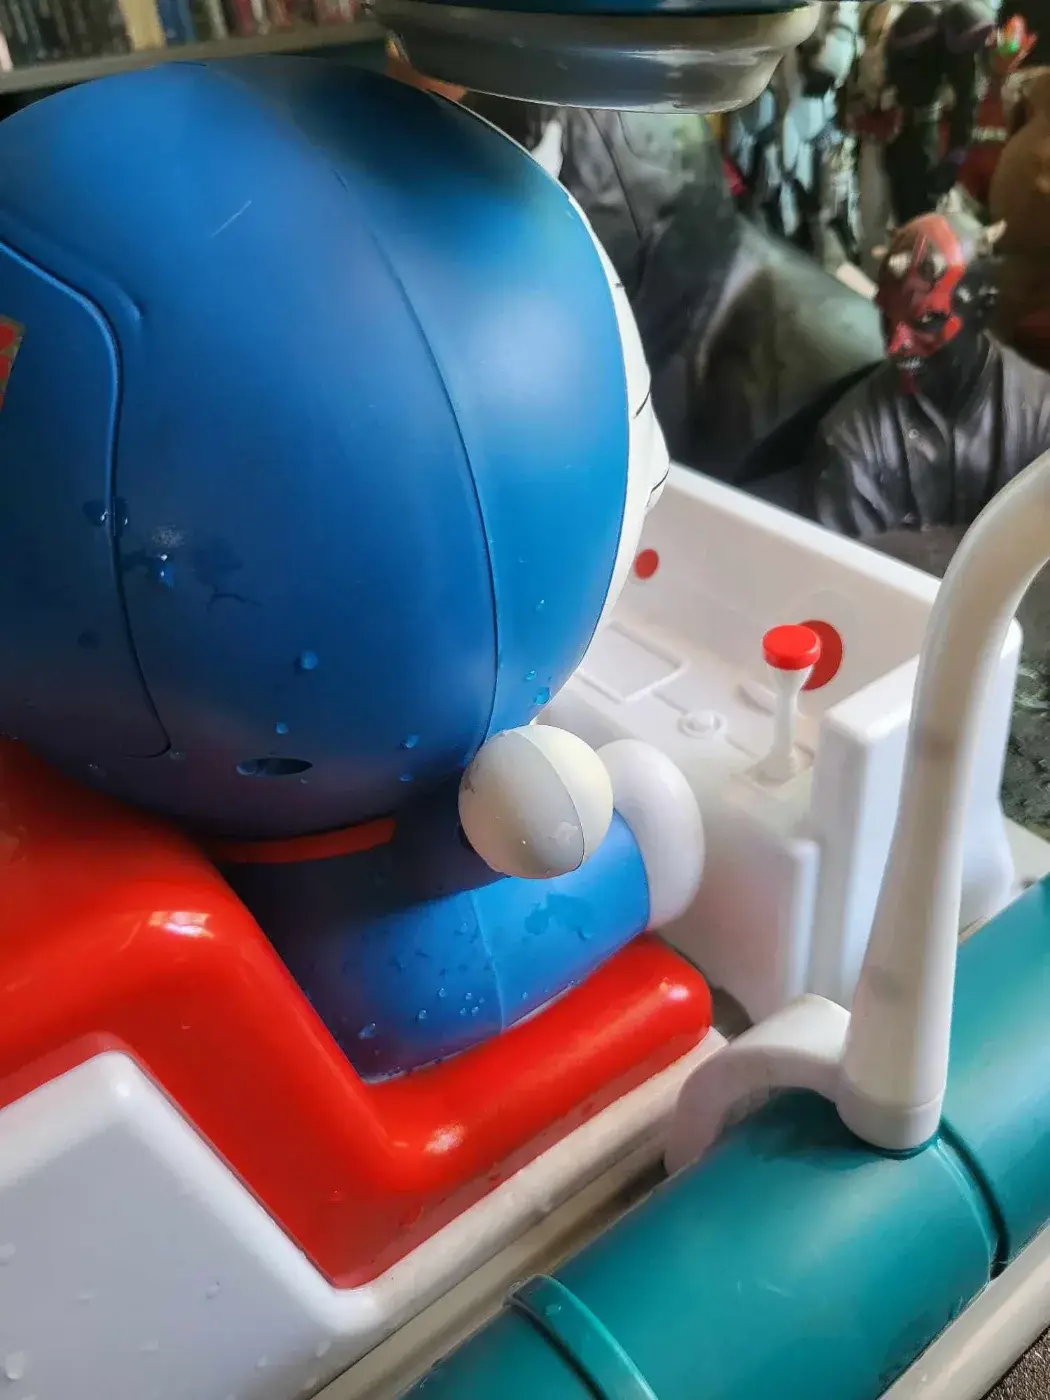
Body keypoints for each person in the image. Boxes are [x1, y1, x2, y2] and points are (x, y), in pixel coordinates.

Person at [809, 210, 1050, 536]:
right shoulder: (850, 442)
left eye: (925, 321)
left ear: (982, 310)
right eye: (888, 318)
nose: (896, 346)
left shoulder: (1042, 418)